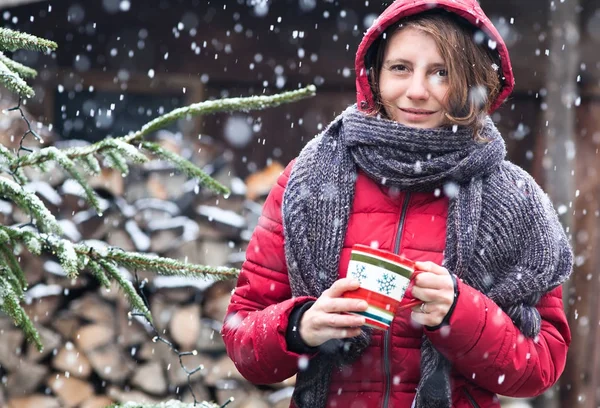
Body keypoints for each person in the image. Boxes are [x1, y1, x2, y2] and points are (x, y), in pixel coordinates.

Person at [221, 0, 573, 407]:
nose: (417, 91)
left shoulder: (513, 198)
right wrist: (301, 326)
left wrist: (460, 313)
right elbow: (242, 339)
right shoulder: (309, 179)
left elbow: (542, 364)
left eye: (441, 72)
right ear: (374, 73)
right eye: (400, 68)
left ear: (473, 80)